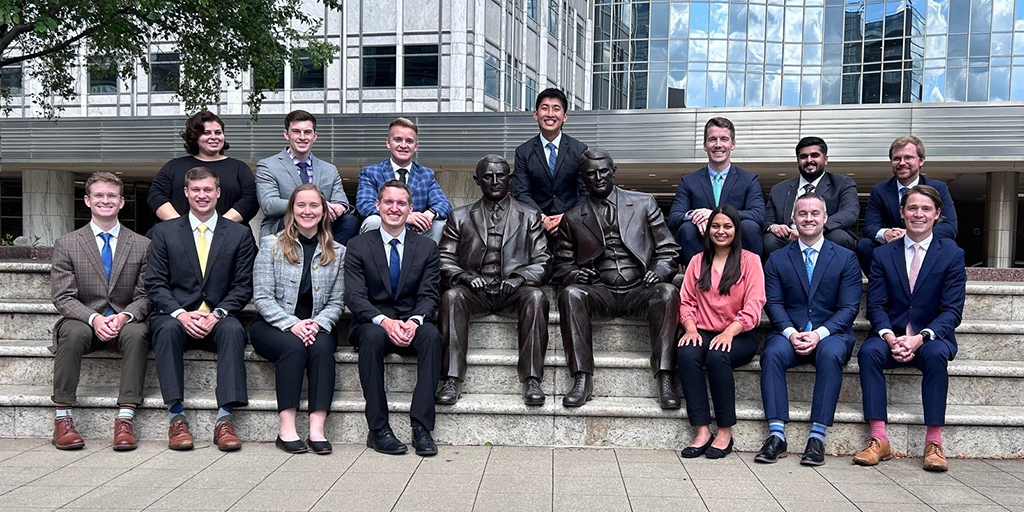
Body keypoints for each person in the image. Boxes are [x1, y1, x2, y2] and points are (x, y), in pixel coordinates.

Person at [555, 149, 682, 410]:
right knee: (570, 294)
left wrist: (657, 272)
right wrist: (577, 274)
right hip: (600, 290)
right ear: (583, 178)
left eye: (603, 171)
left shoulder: (644, 202)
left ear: (613, 172)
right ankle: (581, 378)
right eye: (591, 174)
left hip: (639, 288)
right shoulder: (572, 217)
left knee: (668, 292)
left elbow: (669, 248)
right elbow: (560, 265)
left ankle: (666, 378)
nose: (598, 177)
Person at [854, 185, 966, 472]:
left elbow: (952, 311)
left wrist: (918, 338)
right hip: (891, 334)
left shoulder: (952, 255)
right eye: (912, 208)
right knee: (869, 352)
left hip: (930, 336)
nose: (919, 214)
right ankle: (879, 438)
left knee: (936, 354)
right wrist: (891, 338)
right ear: (902, 213)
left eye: (926, 209)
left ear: (937, 214)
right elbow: (876, 305)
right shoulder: (883, 254)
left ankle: (934, 442)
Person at [145, 166, 256, 452]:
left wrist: (218, 313)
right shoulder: (164, 232)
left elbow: (243, 286)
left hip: (219, 316)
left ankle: (225, 419)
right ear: (186, 193)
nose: (202, 195)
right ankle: (176, 416)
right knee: (166, 329)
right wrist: (180, 314)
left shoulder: (239, 234)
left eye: (208, 189)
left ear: (218, 193)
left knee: (233, 330)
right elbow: (155, 283)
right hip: (176, 315)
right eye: (196, 190)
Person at [755, 193, 862, 466]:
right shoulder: (777, 259)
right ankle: (776, 436)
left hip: (831, 334)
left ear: (825, 218)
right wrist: (791, 332)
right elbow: (774, 303)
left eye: (815, 213)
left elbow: (850, 308)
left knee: (829, 355)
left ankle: (817, 437)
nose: (809, 218)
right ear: (793, 219)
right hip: (789, 332)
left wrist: (818, 334)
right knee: (771, 354)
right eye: (802, 213)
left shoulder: (846, 258)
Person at [436, 155, 551, 406]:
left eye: (501, 176)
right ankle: (451, 379)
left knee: (536, 296)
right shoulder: (460, 216)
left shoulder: (530, 215)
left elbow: (544, 259)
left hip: (513, 289)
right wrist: (465, 277)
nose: (496, 181)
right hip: (474, 291)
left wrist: (520, 279)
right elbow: (444, 259)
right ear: (478, 181)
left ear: (510, 179)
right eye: (488, 176)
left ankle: (532, 379)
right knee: (451, 296)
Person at [49, 172, 151, 451]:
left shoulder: (142, 244)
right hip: (83, 320)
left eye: (111, 196)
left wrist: (123, 316)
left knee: (137, 332)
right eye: (99, 195)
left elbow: (146, 295)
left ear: (121, 202)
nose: (105, 200)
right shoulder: (67, 243)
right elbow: (63, 296)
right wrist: (94, 318)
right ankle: (63, 418)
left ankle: (126, 419)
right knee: (71, 333)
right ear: (87, 200)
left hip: (123, 320)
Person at [344, 180, 443, 456]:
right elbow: (354, 296)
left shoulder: (426, 248)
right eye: (388, 202)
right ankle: (378, 429)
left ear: (411, 208)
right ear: (377, 206)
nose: (394, 208)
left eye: (401, 203)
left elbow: (429, 295)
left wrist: (414, 321)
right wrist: (384, 321)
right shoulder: (358, 245)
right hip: (372, 324)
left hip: (411, 321)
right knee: (373, 338)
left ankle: (421, 427)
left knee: (432, 337)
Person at [251, 184, 345, 454]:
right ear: (292, 209)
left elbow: (337, 301)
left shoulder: (338, 252)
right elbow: (263, 298)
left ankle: (317, 428)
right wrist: (293, 324)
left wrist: (315, 324)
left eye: (314, 205)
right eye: (301, 205)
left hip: (318, 325)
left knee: (322, 348)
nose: (307, 211)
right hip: (273, 325)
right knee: (293, 347)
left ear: (323, 210)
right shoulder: (271, 245)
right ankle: (287, 428)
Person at [676, 204, 765, 459]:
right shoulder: (697, 261)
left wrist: (728, 333)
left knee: (717, 356)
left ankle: (725, 431)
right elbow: (686, 301)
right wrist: (690, 329)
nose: (721, 231)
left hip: (739, 334)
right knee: (686, 352)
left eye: (727, 226)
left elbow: (754, 304)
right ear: (708, 230)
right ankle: (702, 430)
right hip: (702, 330)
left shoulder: (750, 261)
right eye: (715, 226)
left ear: (736, 230)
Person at [668, 117, 765, 262]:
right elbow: (674, 217)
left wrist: (714, 215)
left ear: (733, 145)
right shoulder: (688, 181)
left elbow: (758, 215)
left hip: (737, 244)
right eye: (712, 139)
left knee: (750, 227)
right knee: (687, 228)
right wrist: (695, 216)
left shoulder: (748, 179)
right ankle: (698, 281)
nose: (718, 145)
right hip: (702, 245)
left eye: (724, 139)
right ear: (705, 145)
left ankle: (747, 277)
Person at [855, 135, 958, 273]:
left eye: (908, 158)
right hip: (892, 247)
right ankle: (882, 285)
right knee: (864, 245)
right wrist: (886, 234)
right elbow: (870, 227)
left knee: (949, 245)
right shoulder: (879, 190)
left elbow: (950, 227)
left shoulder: (938, 189)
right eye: (896, 158)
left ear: (921, 161)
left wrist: (912, 234)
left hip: (926, 247)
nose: (902, 163)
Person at [256, 109, 360, 245]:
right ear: (286, 134)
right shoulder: (268, 166)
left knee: (350, 221)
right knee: (293, 219)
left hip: (322, 228)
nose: (302, 137)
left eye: (307, 132)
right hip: (285, 225)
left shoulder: (329, 170)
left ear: (315, 136)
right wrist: (312, 206)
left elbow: (342, 202)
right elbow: (269, 205)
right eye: (296, 131)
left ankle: (331, 260)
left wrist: (340, 207)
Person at [147, 110, 258, 225]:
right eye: (206, 133)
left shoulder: (239, 168)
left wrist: (220, 226)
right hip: (178, 238)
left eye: (218, 132)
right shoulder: (174, 166)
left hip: (229, 238)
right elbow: (156, 195)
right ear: (194, 136)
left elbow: (251, 199)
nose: (214, 137)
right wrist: (181, 226)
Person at [354, 118, 451, 243]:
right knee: (373, 221)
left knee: (438, 225)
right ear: (388, 143)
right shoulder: (371, 173)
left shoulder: (425, 174)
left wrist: (429, 214)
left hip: (415, 233)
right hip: (384, 230)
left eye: (409, 141)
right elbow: (365, 206)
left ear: (416, 146)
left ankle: (423, 262)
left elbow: (444, 205)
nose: (403, 145)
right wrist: (405, 217)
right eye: (398, 140)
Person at [761, 137, 859, 259]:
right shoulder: (779, 189)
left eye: (814, 155)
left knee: (839, 237)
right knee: (769, 240)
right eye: (803, 157)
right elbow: (767, 220)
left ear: (825, 159)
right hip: (790, 238)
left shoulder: (842, 183)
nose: (809, 160)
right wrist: (773, 227)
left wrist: (815, 229)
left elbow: (850, 212)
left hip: (826, 235)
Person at [512, 87, 589, 238]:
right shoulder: (523, 152)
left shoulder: (579, 149)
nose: (550, 114)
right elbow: (521, 192)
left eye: (556, 109)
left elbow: (585, 192)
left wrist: (567, 217)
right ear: (536, 114)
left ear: (565, 116)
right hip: (534, 230)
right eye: (544, 108)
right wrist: (542, 218)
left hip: (573, 230)